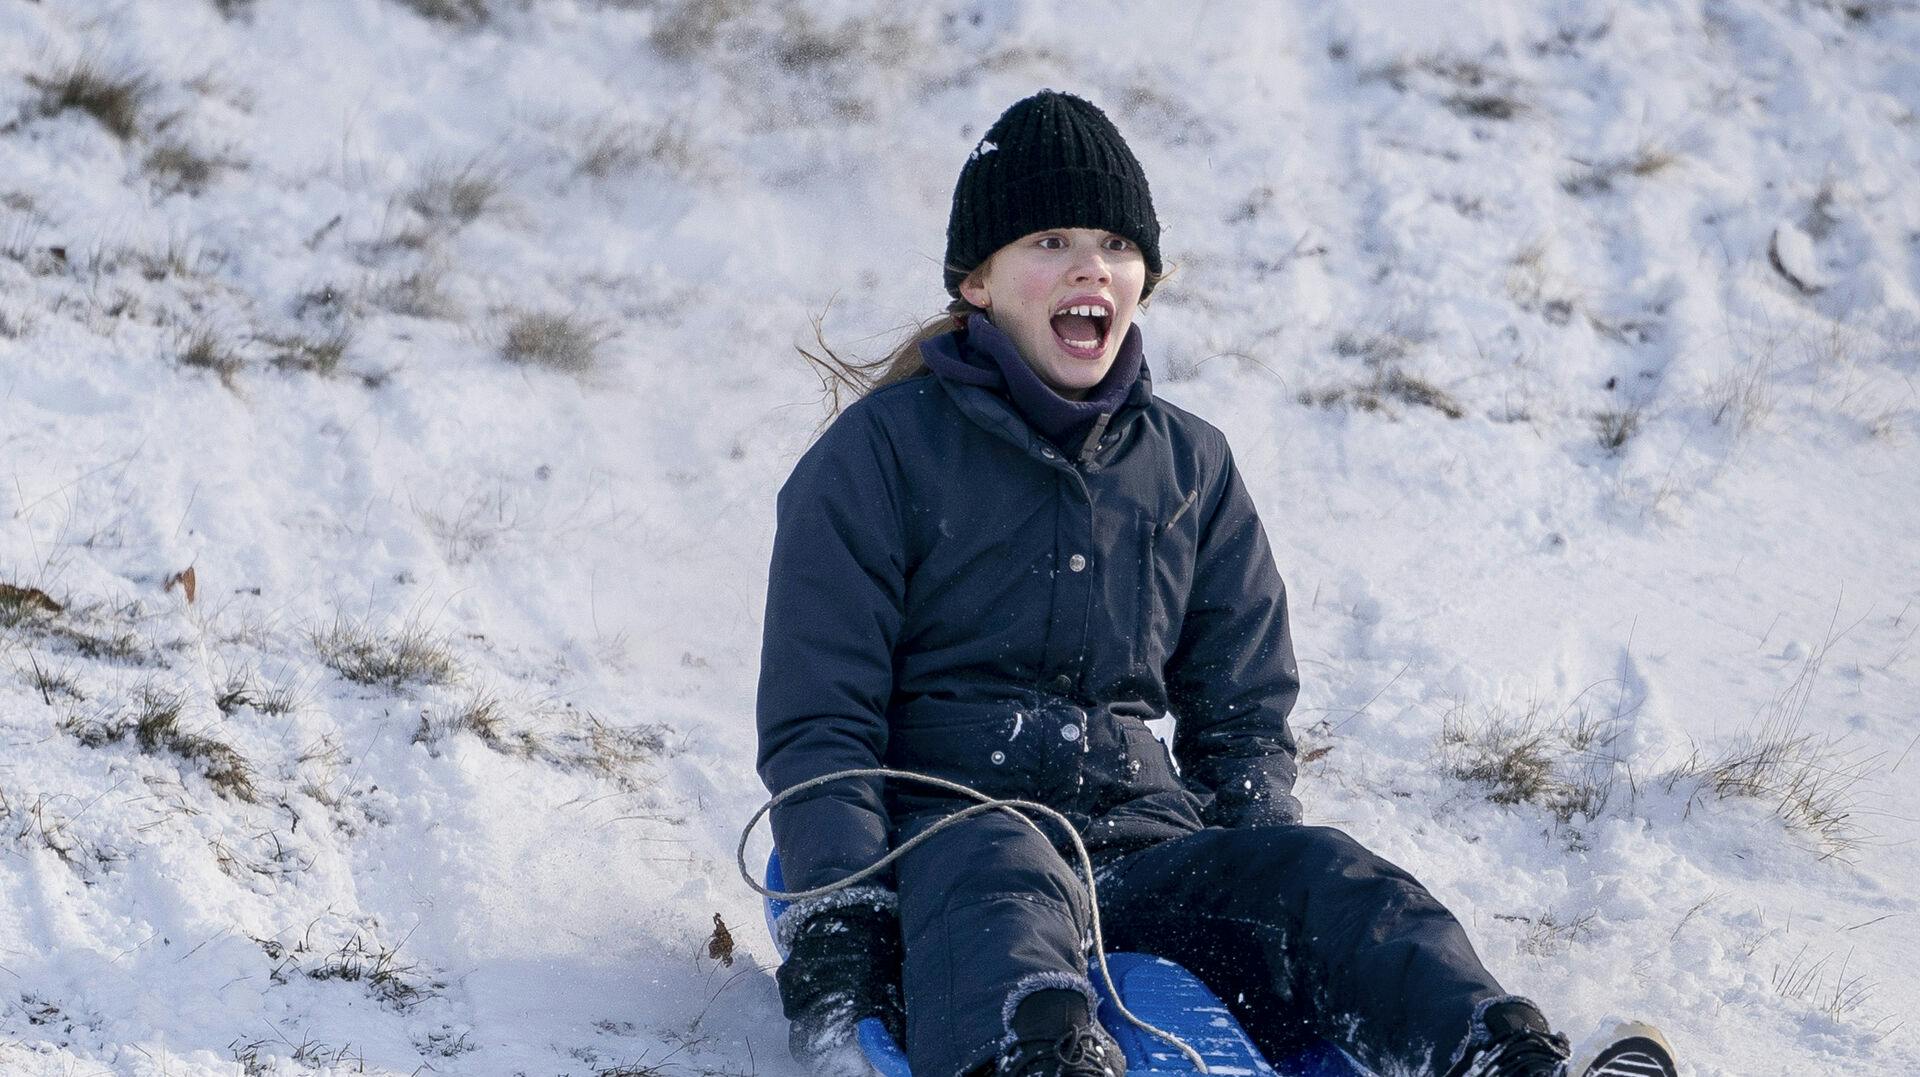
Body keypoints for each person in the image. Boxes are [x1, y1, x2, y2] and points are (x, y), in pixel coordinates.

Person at [756, 90, 1677, 1077]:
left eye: (1114, 243)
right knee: (1002, 865)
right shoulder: (882, 456)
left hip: (1141, 850)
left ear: (1143, 277)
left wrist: (1266, 872)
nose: (1088, 267)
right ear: (978, 282)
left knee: (1332, 874)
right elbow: (823, 717)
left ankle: (1497, 1063)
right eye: (1050, 241)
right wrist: (840, 920)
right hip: (947, 847)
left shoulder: (1188, 467)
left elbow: (1240, 709)